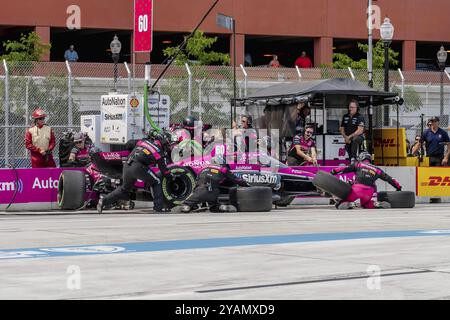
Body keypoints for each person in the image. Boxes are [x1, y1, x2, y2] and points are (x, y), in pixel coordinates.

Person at [97, 132, 173, 213]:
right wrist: (171, 176)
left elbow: (128, 144)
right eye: (167, 143)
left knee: (124, 189)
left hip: (127, 165)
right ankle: (158, 208)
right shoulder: (158, 151)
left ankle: (103, 201)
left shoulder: (143, 141)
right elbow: (164, 171)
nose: (168, 146)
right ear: (163, 142)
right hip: (138, 167)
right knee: (156, 181)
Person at [330, 152, 402, 209]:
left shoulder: (358, 164)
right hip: (369, 192)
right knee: (365, 204)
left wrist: (333, 171)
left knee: (339, 204)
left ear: (361, 158)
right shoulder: (377, 169)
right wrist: (398, 187)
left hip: (357, 190)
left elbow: (343, 168)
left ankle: (352, 203)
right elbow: (390, 179)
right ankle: (375, 204)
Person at [180, 155, 250, 213]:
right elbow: (237, 180)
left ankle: (187, 206)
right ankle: (221, 207)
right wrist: (247, 185)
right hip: (214, 193)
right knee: (213, 207)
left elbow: (196, 183)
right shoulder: (223, 169)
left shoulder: (202, 169)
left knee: (185, 204)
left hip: (199, 192)